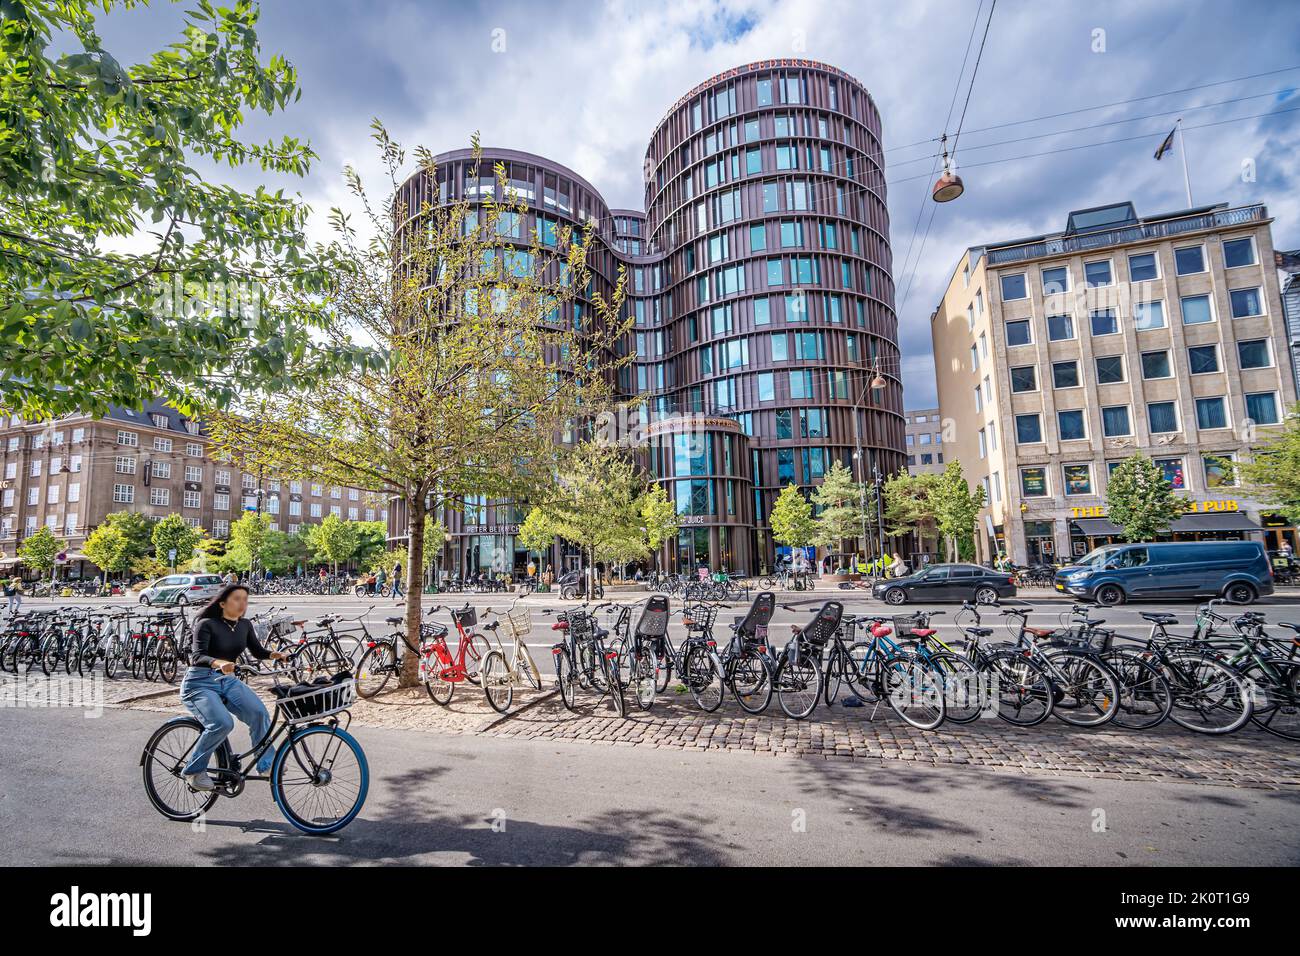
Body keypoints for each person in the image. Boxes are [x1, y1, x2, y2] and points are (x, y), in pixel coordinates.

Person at [179, 584, 289, 791]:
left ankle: (265, 764)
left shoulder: (244, 625)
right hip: (199, 682)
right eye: (237, 599)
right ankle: (193, 771)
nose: (242, 604)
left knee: (258, 713)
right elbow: (197, 656)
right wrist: (218, 662)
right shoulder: (206, 624)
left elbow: (257, 651)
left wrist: (275, 654)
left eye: (245, 599)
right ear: (222, 603)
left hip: (226, 680)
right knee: (222, 723)